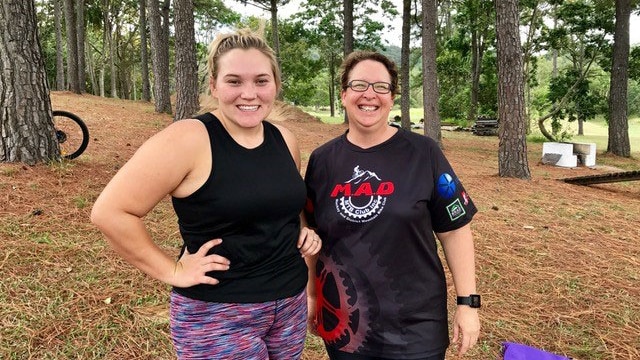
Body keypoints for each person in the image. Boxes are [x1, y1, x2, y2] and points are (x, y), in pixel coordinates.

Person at [91, 29, 321, 360]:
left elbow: (283, 204)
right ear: (213, 85)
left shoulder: (284, 138)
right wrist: (172, 271)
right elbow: (111, 212)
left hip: (288, 305)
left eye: (260, 80)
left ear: (276, 85)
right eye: (234, 81)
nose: (249, 93)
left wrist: (302, 231)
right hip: (218, 314)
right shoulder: (188, 139)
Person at [304, 51, 480, 360]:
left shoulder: (424, 153)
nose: (369, 94)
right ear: (344, 95)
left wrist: (468, 304)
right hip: (347, 325)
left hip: (416, 328)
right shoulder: (322, 161)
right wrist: (312, 296)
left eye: (381, 87)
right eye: (359, 85)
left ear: (392, 97)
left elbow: (455, 231)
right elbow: (311, 236)